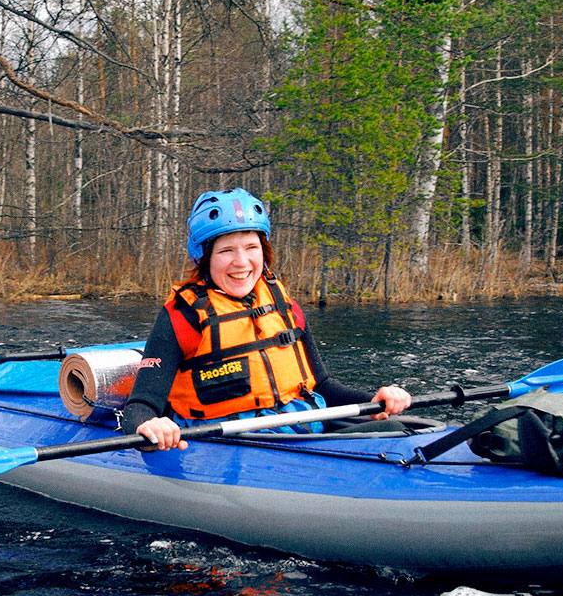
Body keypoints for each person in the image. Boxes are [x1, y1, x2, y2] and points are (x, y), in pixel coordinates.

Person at [121, 188, 411, 451]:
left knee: (395, 430)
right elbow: (142, 405)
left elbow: (319, 385)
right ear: (205, 256)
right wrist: (150, 426)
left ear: (264, 250)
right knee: (390, 435)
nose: (241, 262)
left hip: (300, 429)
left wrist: (371, 402)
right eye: (226, 250)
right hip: (228, 440)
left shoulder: (284, 305)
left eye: (251, 247)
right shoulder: (182, 317)